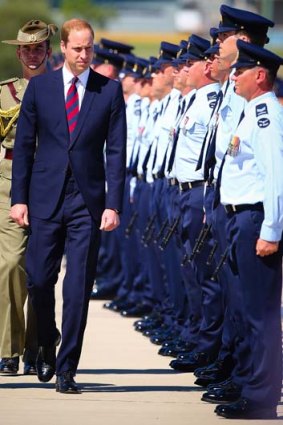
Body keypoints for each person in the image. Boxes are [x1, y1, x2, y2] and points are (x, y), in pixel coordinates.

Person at [10, 18, 127, 393]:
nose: (83, 54)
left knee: (78, 287)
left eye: (89, 47)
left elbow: (117, 152)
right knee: (40, 280)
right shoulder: (41, 89)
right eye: (77, 48)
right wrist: (19, 199)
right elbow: (24, 147)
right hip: (45, 198)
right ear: (62, 47)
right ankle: (46, 340)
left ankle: (67, 368)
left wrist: (113, 204)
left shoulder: (108, 91)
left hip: (87, 203)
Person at [214, 40, 283, 420]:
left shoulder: (266, 116)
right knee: (245, 309)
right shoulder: (251, 111)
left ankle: (261, 397)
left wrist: (271, 230)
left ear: (260, 75)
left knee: (261, 314)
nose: (234, 75)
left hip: (257, 219)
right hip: (241, 218)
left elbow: (276, 177)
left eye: (241, 70)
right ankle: (248, 382)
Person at [0, 19, 57, 375]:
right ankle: (7, 348)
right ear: (18, 52)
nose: (33, 54)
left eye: (39, 48)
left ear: (48, 52)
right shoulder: (5, 93)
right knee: (9, 266)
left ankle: (38, 343)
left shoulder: (60, 91)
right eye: (27, 49)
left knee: (41, 273)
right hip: (7, 185)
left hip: (49, 186)